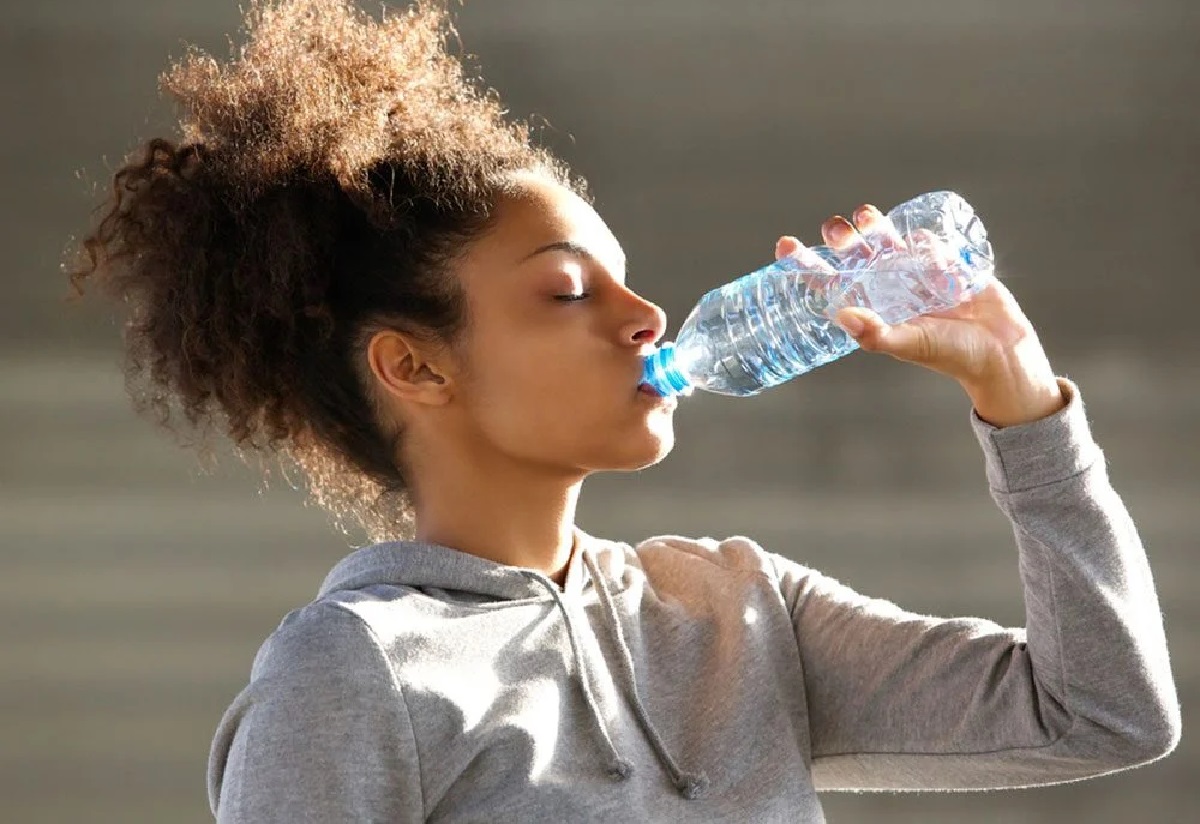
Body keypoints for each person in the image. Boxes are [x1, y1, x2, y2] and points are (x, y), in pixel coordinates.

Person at [67, 1, 1180, 821]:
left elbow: (1104, 711)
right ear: (416, 367)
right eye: (566, 290)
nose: (647, 315)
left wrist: (1021, 400)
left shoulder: (737, 609)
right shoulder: (355, 668)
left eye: (629, 279)